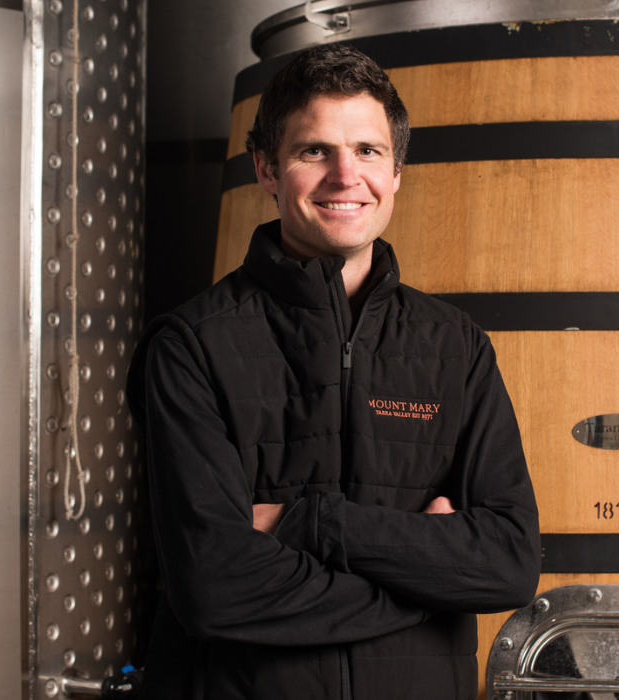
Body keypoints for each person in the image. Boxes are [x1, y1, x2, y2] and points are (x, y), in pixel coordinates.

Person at [127, 43, 541, 699]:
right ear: (267, 167)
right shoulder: (190, 347)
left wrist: (312, 524)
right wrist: (426, 584)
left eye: (369, 151)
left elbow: (509, 565)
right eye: (314, 150)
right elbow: (213, 588)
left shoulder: (456, 348)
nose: (346, 176)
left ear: (397, 170)